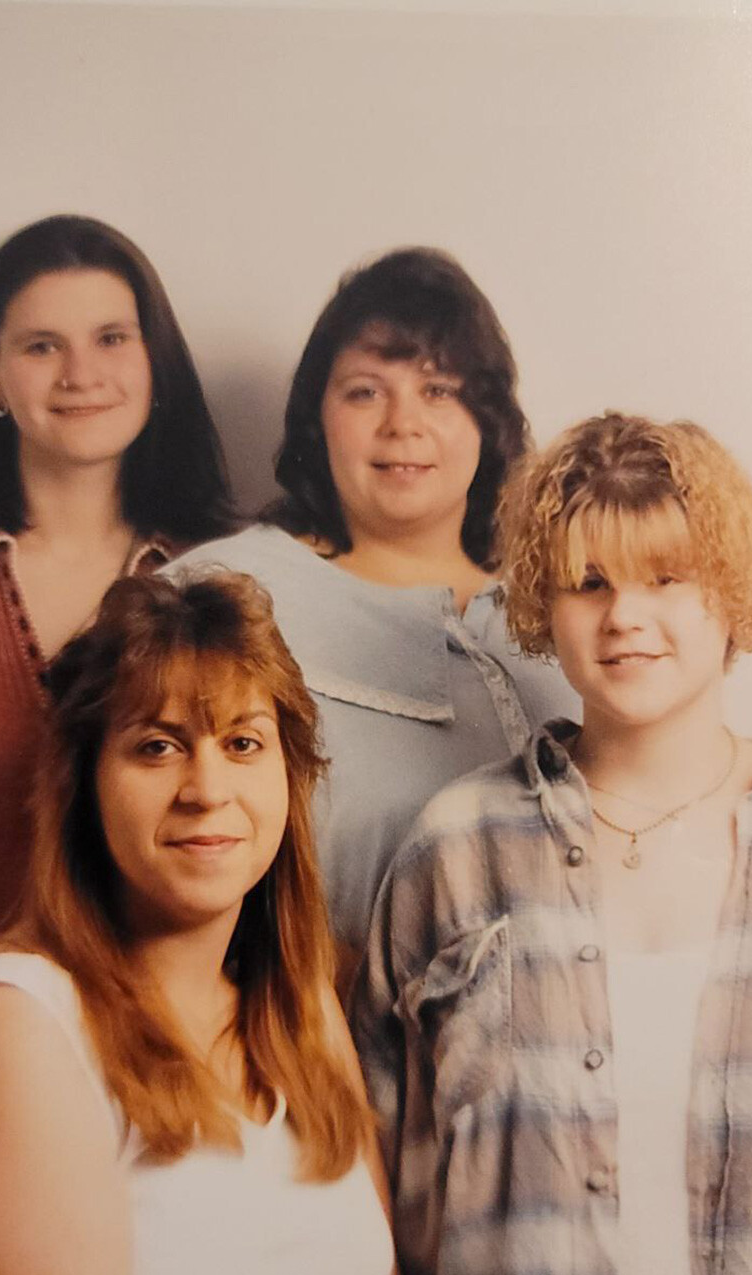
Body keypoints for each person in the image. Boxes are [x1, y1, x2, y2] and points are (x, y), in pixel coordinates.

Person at [352, 411, 752, 1275]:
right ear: (542, 605)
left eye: (665, 577)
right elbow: (359, 1196)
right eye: (588, 582)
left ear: (732, 590)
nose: (624, 617)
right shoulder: (454, 852)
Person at [0, 571, 444, 1275]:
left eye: (243, 743)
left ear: (290, 779)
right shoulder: (14, 1032)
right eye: (157, 746)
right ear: (83, 785)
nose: (206, 790)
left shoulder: (298, 1010)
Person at [166, 247, 576, 957]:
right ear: (315, 417)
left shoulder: (575, 604)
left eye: (439, 390)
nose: (402, 423)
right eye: (365, 391)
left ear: (488, 417)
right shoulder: (219, 597)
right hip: (293, 1044)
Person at [0, 214, 236, 1012]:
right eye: (40, 346)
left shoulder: (229, 579)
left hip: (183, 1046)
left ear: (155, 361)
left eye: (111, 339)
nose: (80, 373)